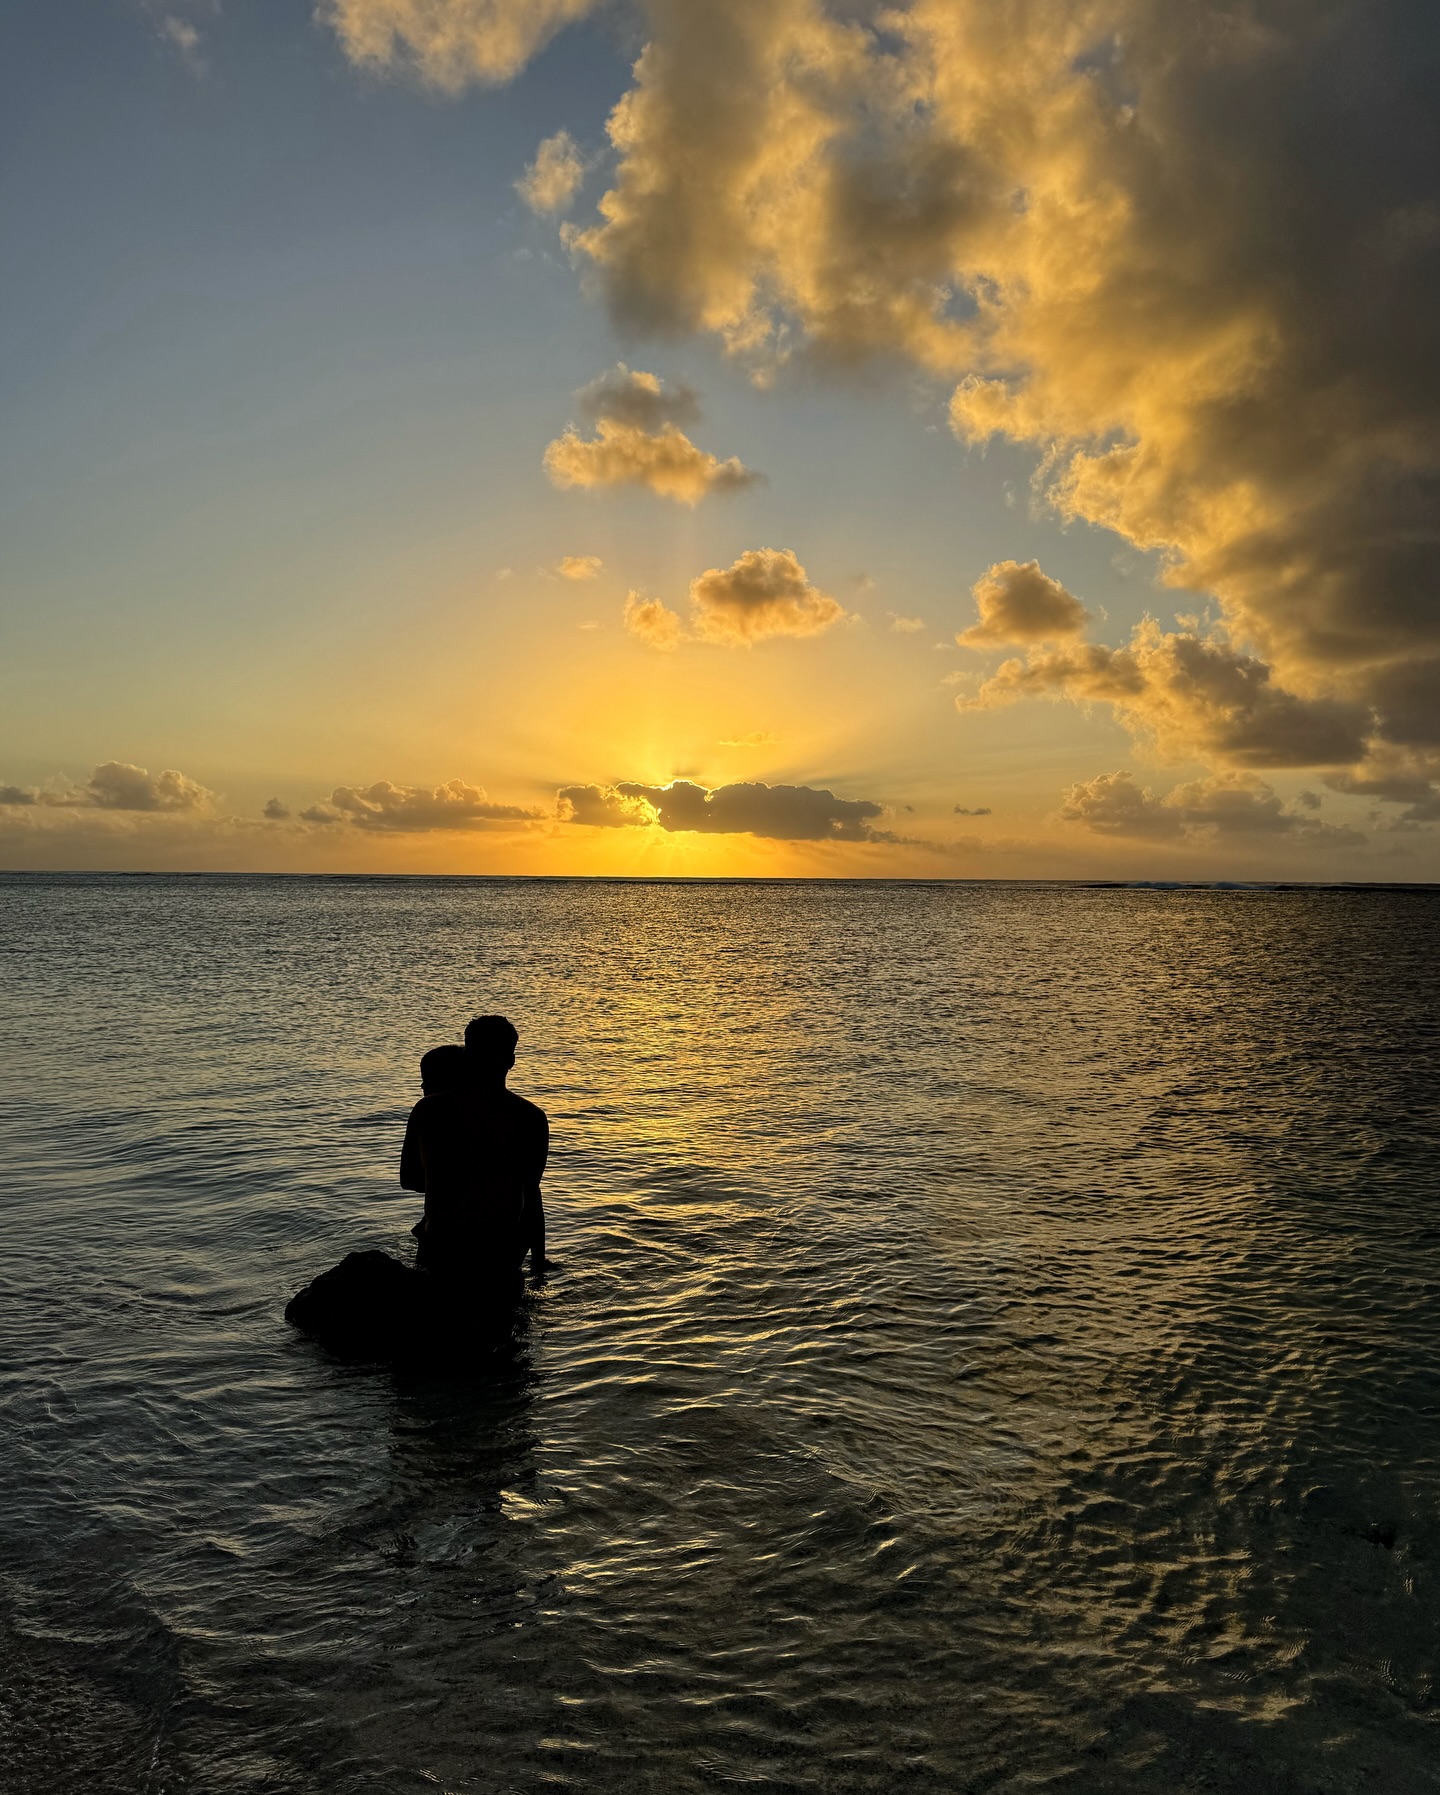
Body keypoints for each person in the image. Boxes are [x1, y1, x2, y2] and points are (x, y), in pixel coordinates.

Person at [400, 1016, 549, 1297]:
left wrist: (447, 1178)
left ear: (466, 1055)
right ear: (511, 1061)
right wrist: (538, 1265)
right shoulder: (531, 1117)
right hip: (501, 1254)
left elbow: (409, 1179)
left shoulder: (428, 1110)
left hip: (443, 1247)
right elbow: (531, 1196)